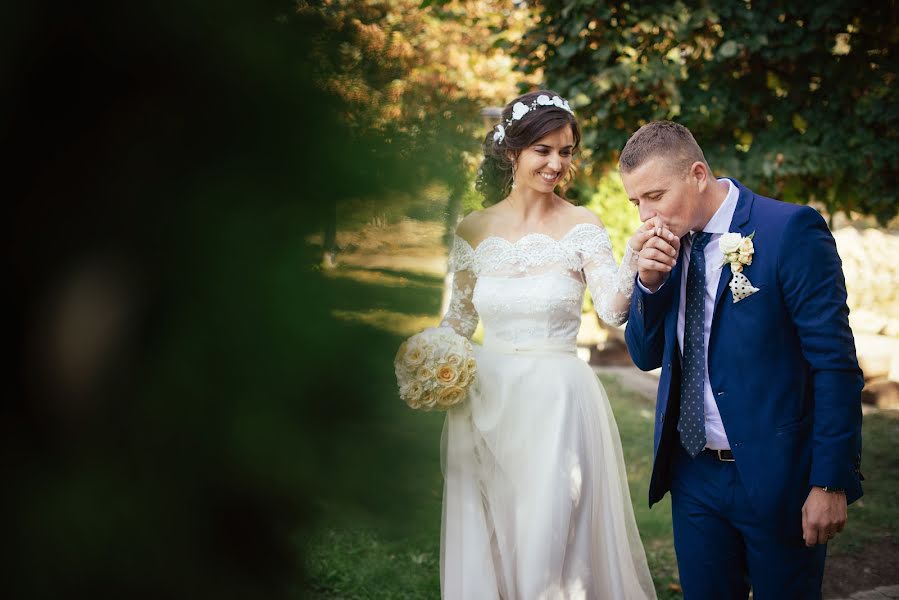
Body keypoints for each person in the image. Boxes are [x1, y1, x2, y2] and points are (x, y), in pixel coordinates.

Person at [620, 121, 864, 599]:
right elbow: (645, 354)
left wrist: (830, 482)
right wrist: (647, 284)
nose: (646, 216)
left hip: (778, 477)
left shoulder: (788, 230)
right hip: (692, 474)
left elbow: (835, 365)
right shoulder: (664, 246)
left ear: (696, 174)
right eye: (636, 203)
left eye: (655, 195)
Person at [437, 90, 657, 599]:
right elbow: (459, 321)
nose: (557, 163)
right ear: (512, 152)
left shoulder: (583, 225)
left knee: (553, 533)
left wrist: (632, 258)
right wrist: (432, 359)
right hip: (486, 402)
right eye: (544, 150)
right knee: (494, 526)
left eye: (566, 151)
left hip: (558, 403)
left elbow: (613, 309)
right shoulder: (472, 229)